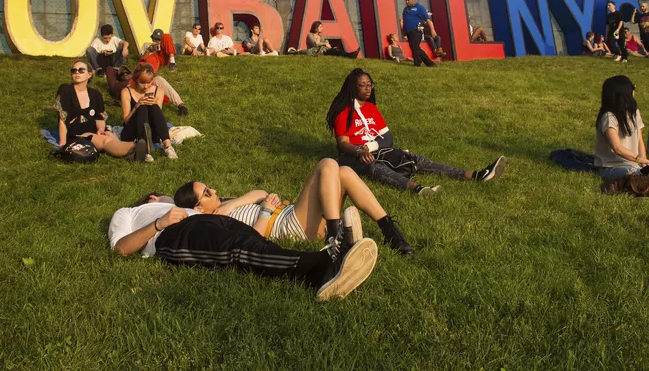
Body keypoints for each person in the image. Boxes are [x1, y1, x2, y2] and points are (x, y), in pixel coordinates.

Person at [108, 194, 379, 301]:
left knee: (252, 243)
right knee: (238, 248)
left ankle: (332, 262)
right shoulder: (128, 212)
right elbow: (120, 248)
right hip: (174, 235)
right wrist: (158, 224)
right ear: (152, 197)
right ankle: (326, 266)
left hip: (209, 221)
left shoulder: (181, 206)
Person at [173, 157, 415, 256]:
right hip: (289, 224)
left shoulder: (224, 206)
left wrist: (232, 203)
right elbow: (247, 241)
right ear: (198, 208)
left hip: (294, 214)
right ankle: (334, 239)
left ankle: (390, 231)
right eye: (206, 193)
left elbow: (260, 193)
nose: (213, 191)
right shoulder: (210, 223)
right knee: (327, 163)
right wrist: (266, 210)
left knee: (344, 171)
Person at [326, 68, 506, 195]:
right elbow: (342, 144)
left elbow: (388, 138)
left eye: (369, 84)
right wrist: (360, 151)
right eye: (362, 85)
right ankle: (416, 188)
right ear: (353, 88)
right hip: (354, 156)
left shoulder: (372, 108)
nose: (368, 88)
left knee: (417, 159)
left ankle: (475, 175)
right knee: (375, 168)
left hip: (379, 150)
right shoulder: (344, 112)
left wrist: (371, 146)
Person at [55, 60, 146, 161]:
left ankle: (134, 153)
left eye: (81, 70)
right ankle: (137, 146)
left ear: (89, 74)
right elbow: (62, 118)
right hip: (78, 132)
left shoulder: (95, 94)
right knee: (105, 141)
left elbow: (99, 117)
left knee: (111, 136)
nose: (77, 73)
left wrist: (101, 129)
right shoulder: (66, 90)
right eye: (74, 70)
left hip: (94, 128)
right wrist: (62, 144)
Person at [594, 75, 648, 181]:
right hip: (611, 167)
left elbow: (640, 141)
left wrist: (644, 163)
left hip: (634, 164)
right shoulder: (609, 117)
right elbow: (617, 149)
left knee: (642, 173)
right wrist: (640, 160)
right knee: (637, 175)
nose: (634, 90)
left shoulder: (634, 112)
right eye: (632, 87)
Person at [120, 62, 177, 161]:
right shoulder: (126, 92)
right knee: (142, 107)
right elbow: (126, 120)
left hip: (151, 131)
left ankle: (168, 146)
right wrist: (137, 105)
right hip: (132, 131)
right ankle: (145, 148)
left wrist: (151, 104)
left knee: (153, 106)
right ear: (136, 80)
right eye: (142, 83)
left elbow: (157, 118)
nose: (146, 86)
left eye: (149, 82)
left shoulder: (158, 91)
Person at [111, 65, 189, 116]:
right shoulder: (123, 86)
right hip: (138, 101)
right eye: (123, 74)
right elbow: (109, 71)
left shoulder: (140, 71)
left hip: (148, 82)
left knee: (159, 79)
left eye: (127, 73)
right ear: (120, 78)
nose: (125, 75)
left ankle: (180, 105)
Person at [400, 0, 441, 67]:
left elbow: (428, 20)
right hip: (409, 32)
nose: (406, 2)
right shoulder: (405, 9)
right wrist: (404, 33)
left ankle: (418, 63)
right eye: (405, 0)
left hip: (416, 31)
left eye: (408, 0)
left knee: (415, 47)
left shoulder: (419, 7)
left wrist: (432, 30)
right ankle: (428, 63)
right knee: (414, 47)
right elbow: (404, 21)